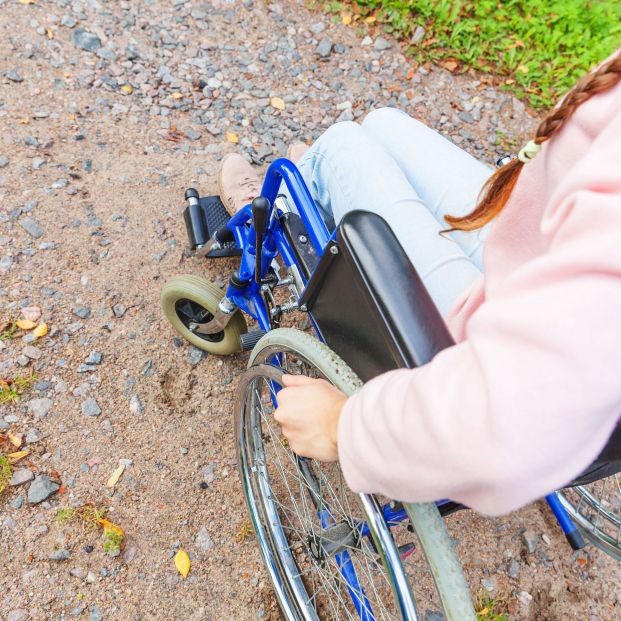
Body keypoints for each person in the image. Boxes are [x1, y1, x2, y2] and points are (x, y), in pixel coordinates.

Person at [218, 50, 621, 515]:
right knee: (383, 124)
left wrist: (341, 426)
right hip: (545, 260)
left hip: (493, 346)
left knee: (343, 145)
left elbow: (513, 422)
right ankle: (322, 182)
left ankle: (283, 205)